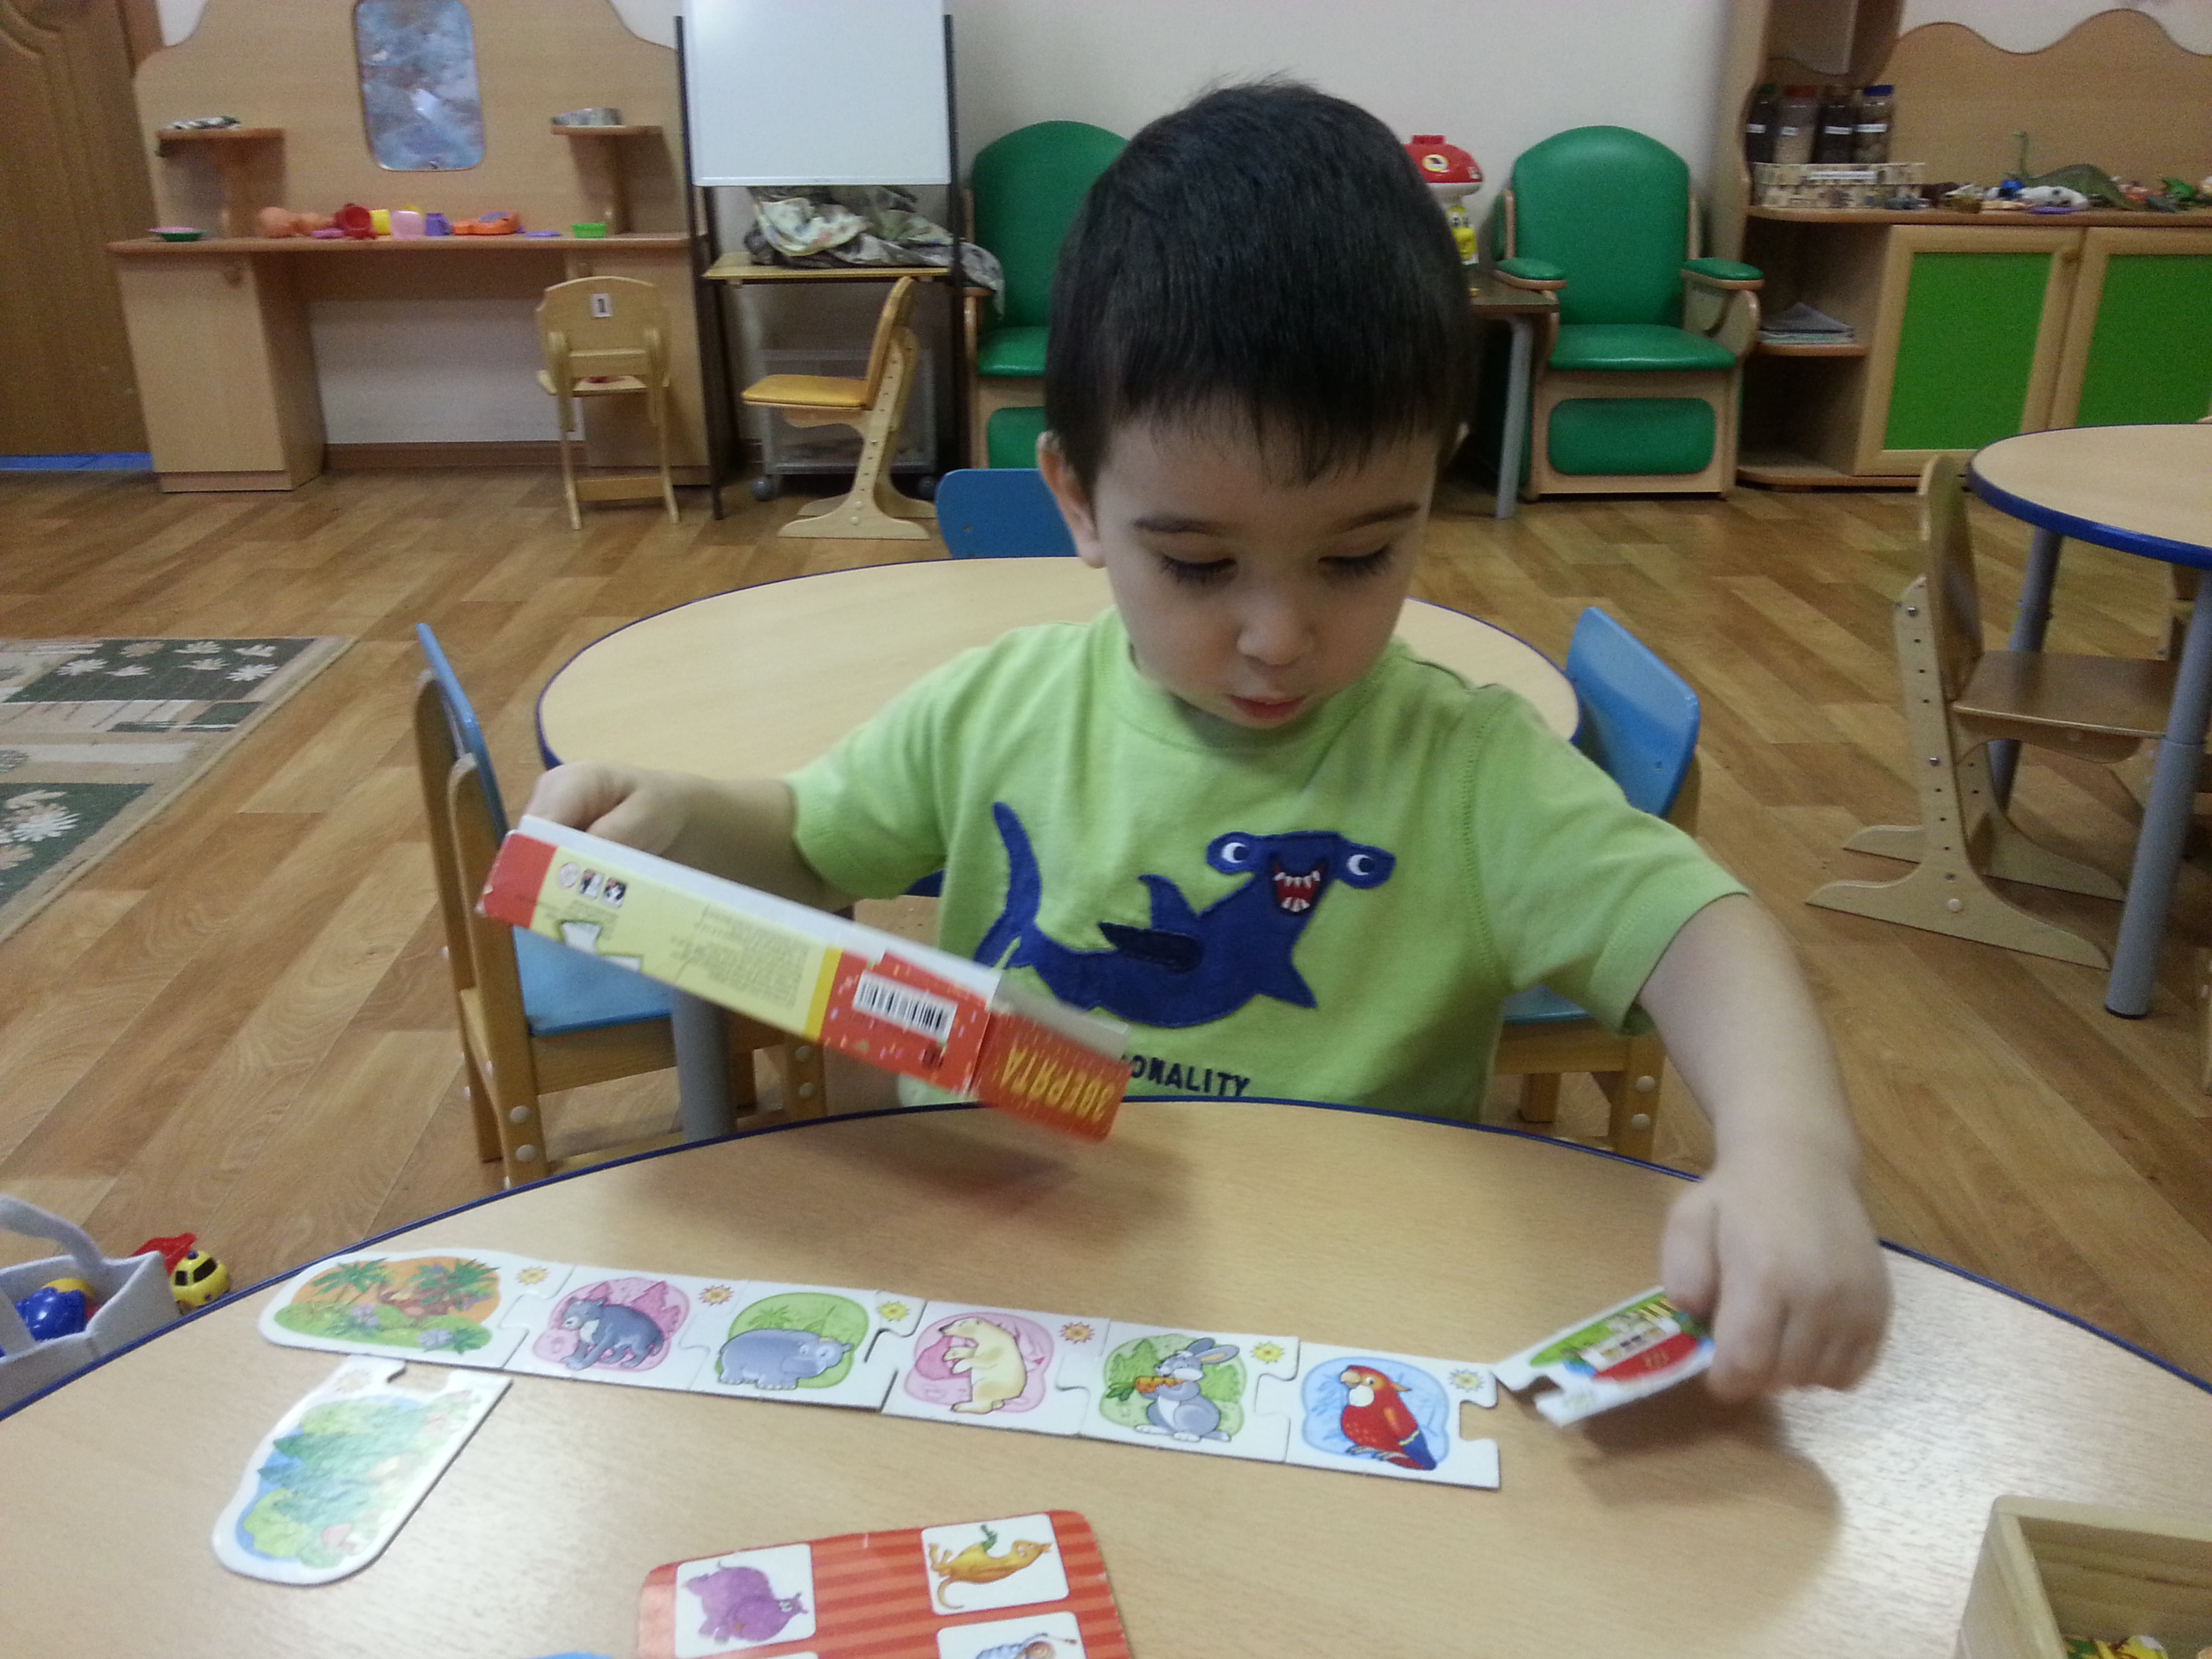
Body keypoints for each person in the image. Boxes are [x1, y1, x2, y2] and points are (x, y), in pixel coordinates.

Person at [525, 81, 1889, 1401]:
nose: (1278, 637)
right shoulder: (996, 709)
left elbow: (1700, 932)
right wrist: (680, 819)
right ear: (1077, 498)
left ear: (1434, 475)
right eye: (1196, 564)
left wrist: (1791, 1153)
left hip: (1342, 1330)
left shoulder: (1469, 771)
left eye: (1358, 556)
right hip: (1003, 1313)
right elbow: (806, 841)